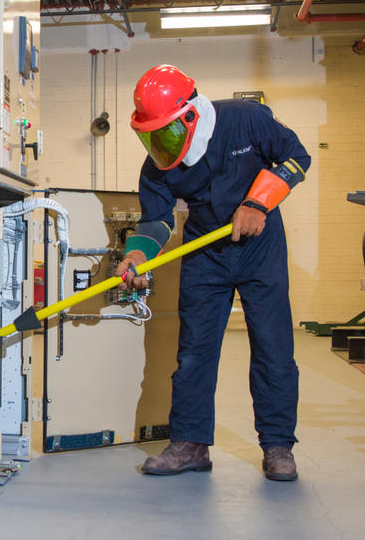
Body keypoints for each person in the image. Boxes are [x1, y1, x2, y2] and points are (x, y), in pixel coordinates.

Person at [116, 65, 310, 481]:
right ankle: (190, 443)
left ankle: (278, 446)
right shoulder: (157, 167)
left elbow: (297, 158)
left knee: (273, 348)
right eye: (150, 135)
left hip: (261, 246)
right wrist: (135, 254)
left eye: (165, 132)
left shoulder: (246, 119)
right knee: (193, 353)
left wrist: (258, 202)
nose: (159, 145)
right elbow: (156, 223)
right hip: (205, 251)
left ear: (190, 114)